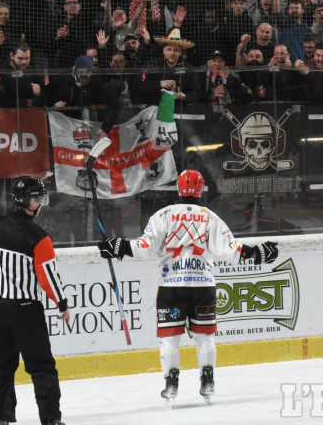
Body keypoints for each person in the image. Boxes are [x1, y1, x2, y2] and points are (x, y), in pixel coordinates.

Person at [96, 169, 278, 405]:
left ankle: (171, 384)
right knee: (204, 338)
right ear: (201, 190)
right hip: (203, 286)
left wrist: (117, 246)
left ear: (179, 189)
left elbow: (145, 247)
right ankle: (208, 380)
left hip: (172, 287)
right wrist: (259, 253)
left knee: (170, 341)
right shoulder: (211, 218)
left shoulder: (163, 215)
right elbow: (230, 252)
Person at [0, 176, 69, 425]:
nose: (40, 203)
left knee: (2, 362)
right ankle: (50, 419)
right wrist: (62, 303)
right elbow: (48, 276)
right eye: (38, 198)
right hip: (24, 308)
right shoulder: (39, 236)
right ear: (28, 201)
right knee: (41, 365)